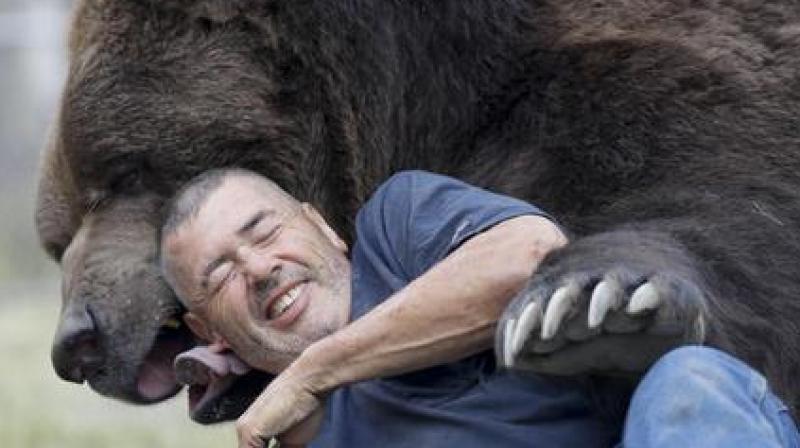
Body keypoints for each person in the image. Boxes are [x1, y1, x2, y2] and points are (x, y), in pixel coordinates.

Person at [160, 168, 799, 448]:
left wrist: (314, 369)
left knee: (688, 381)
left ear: (322, 227)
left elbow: (528, 253)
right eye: (220, 276)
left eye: (265, 231)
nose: (260, 268)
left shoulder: (397, 226)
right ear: (207, 331)